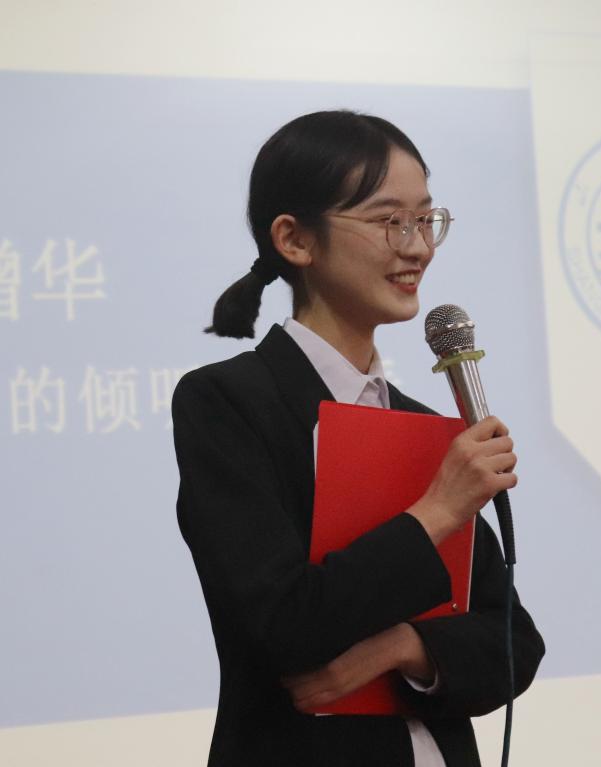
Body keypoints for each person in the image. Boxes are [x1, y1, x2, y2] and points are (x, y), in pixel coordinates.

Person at [171, 110, 545, 767]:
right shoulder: (228, 402)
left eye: (426, 219)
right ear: (294, 239)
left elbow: (514, 644)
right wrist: (439, 510)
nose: (418, 247)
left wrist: (405, 647)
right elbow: (283, 625)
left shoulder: (423, 424)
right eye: (388, 220)